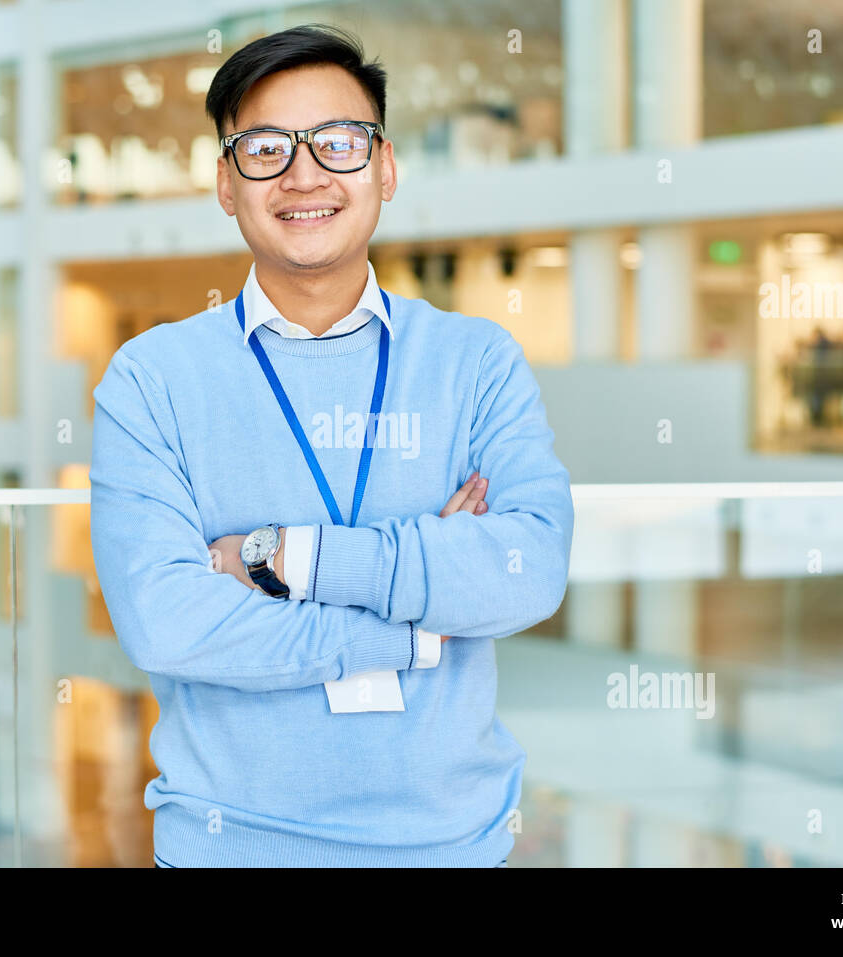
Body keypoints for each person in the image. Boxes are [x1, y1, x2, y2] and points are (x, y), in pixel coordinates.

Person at [89, 24, 573, 868]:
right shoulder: (152, 378)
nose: (304, 174)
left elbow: (529, 564)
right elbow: (165, 623)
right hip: (226, 848)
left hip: (449, 847)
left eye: (338, 143)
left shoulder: (476, 361)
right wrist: (415, 626)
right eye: (266, 148)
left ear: (385, 167)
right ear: (225, 183)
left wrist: (283, 557)